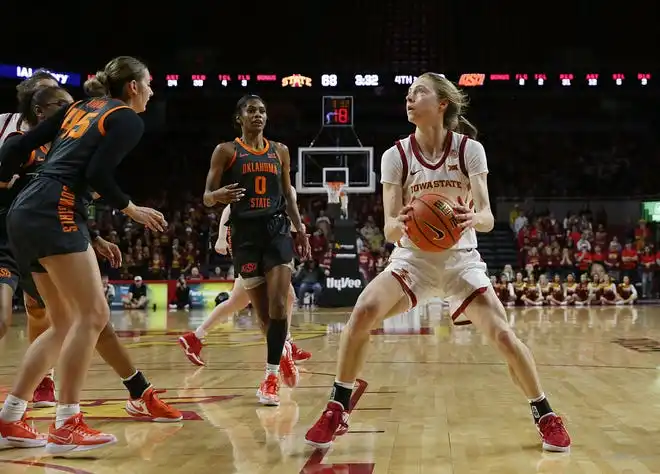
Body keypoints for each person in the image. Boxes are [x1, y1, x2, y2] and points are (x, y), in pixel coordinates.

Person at [304, 72, 571, 452]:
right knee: (363, 310)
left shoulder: (468, 150)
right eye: (408, 95)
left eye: (419, 93)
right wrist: (404, 223)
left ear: (441, 103)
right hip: (413, 260)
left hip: (461, 261)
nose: (409, 99)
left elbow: (488, 217)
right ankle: (337, 407)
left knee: (504, 337)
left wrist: (470, 218)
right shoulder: (395, 155)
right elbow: (391, 228)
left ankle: (545, 413)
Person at [0, 56, 169, 454]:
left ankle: (9, 418)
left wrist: (6, 178)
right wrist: (131, 208)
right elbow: (97, 174)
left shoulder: (78, 107)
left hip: (22, 212)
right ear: (132, 87)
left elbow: (20, 146)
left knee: (63, 324)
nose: (151, 91)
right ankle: (67, 423)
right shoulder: (126, 117)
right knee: (92, 315)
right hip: (55, 208)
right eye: (148, 83)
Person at [202, 94, 310, 406]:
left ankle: (270, 377)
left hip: (276, 231)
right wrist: (218, 195)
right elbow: (206, 196)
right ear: (240, 117)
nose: (258, 115)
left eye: (262, 110)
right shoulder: (226, 151)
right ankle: (283, 352)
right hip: (245, 236)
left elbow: (288, 195)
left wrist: (299, 229)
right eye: (251, 110)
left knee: (278, 305)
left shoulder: (280, 151)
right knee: (263, 315)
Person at [178, 197, 312, 366]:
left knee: (237, 301)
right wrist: (221, 237)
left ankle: (195, 337)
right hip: (249, 246)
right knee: (288, 295)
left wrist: (298, 228)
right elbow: (230, 207)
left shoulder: (280, 189)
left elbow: (283, 217)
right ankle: (286, 345)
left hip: (263, 246)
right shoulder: (259, 178)